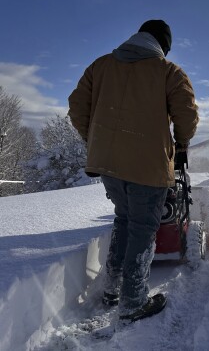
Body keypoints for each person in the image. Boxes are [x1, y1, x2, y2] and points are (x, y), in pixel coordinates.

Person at [68, 19, 199, 322]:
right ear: (162, 46)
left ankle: (112, 288)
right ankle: (133, 301)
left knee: (124, 219)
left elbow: (77, 106)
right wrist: (181, 144)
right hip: (148, 165)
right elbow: (187, 115)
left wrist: (96, 140)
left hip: (108, 165)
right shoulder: (168, 72)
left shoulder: (100, 66)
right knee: (142, 228)